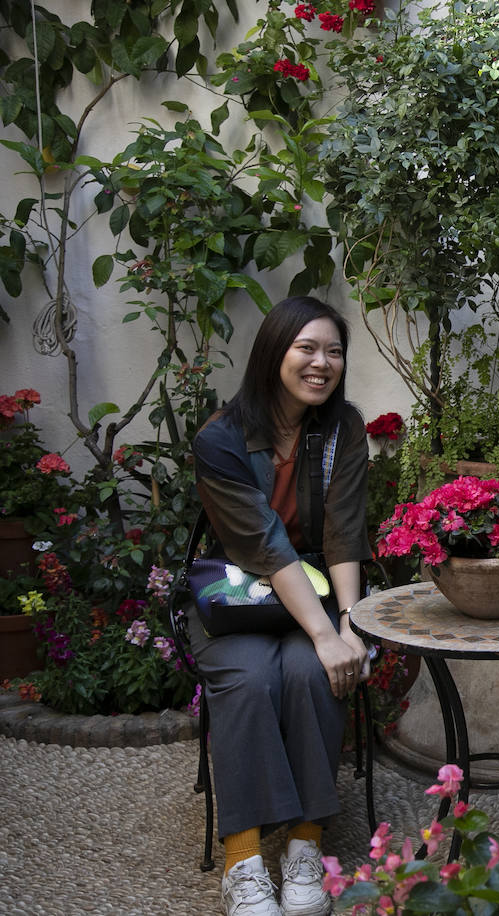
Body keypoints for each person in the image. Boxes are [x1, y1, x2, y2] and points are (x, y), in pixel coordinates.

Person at [191, 297, 371, 916]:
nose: (322, 363)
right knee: (247, 678)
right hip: (238, 598)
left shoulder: (343, 429)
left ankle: (304, 845)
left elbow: (345, 532)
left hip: (320, 594)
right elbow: (264, 546)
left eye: (334, 351)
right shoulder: (221, 438)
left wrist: (347, 627)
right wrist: (325, 634)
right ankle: (243, 860)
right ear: (275, 353)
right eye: (307, 348)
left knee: (310, 673)